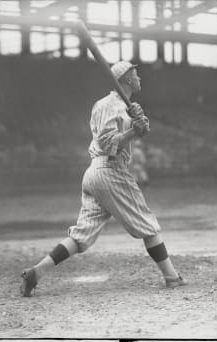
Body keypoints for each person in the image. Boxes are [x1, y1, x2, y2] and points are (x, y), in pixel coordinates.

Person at [20, 61, 187, 297]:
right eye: (136, 75)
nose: (140, 78)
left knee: (81, 236)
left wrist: (139, 123)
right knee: (148, 226)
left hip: (95, 174)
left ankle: (37, 271)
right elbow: (108, 144)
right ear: (127, 79)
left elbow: (129, 134)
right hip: (110, 170)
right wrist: (132, 131)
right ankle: (172, 277)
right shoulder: (110, 105)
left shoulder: (120, 105)